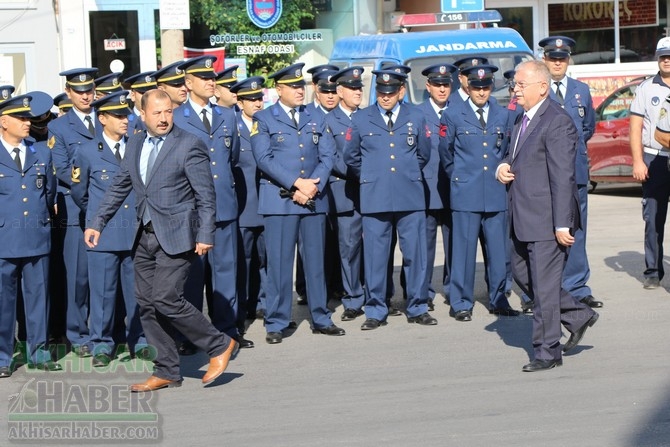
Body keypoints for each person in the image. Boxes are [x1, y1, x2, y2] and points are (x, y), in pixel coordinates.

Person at [83, 89, 238, 391]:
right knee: (147, 304)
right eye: (157, 113)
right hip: (144, 234)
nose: (164, 118)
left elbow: (206, 196)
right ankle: (166, 369)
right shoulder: (136, 142)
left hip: (179, 236)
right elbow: (120, 185)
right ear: (142, 115)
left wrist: (205, 234)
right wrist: (97, 222)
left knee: (166, 298)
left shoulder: (189, 144)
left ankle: (218, 344)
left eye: (168, 111)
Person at [496, 60, 598, 372]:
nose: (515, 90)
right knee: (525, 276)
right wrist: (502, 165)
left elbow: (563, 177)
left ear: (542, 87)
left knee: (542, 286)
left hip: (546, 219)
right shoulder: (521, 117)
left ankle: (547, 351)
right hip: (521, 216)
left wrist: (562, 223)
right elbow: (512, 155)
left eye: (520, 85)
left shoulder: (557, 121)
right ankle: (578, 314)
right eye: (515, 84)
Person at [250, 62, 345, 344]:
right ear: (279, 89)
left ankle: (320, 316)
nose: (299, 90)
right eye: (293, 86)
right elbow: (264, 159)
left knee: (316, 262)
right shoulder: (264, 118)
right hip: (280, 201)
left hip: (312, 199)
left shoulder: (317, 117)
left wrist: (312, 185)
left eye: (301, 85)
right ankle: (277, 321)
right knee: (279, 264)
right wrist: (296, 183)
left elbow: (328, 156)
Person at [343, 69, 435, 330]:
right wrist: (373, 176)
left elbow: (423, 154)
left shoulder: (416, 116)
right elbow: (351, 157)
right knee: (375, 257)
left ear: (401, 92)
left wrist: (404, 175)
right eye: (381, 92)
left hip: (410, 195)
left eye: (390, 92)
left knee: (415, 254)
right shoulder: (361, 119)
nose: (385, 97)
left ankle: (417, 306)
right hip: (375, 197)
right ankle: (376, 308)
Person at [173, 56, 247, 348]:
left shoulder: (227, 115)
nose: (210, 82)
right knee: (193, 274)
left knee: (226, 271)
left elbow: (233, 157)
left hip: (224, 205)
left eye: (212, 77)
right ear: (189, 84)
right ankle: (192, 334)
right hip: (191, 209)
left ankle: (227, 330)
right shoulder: (178, 117)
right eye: (203, 78)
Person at [70, 91, 147, 367]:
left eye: (126, 114)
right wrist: (97, 218)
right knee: (102, 292)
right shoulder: (87, 151)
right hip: (103, 233)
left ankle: (139, 340)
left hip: (135, 232)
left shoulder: (138, 145)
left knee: (137, 292)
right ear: (102, 118)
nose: (125, 119)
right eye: (117, 115)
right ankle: (101, 343)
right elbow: (80, 193)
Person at [440, 64, 518, 321]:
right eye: (476, 87)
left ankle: (499, 298)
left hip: (495, 192)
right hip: (466, 193)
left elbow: (507, 150)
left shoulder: (503, 114)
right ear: (468, 86)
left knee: (498, 252)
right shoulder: (452, 114)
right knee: (463, 252)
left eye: (486, 87)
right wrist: (461, 179)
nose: (481, 92)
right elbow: (446, 153)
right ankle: (461, 302)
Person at [0, 93, 61, 378]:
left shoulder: (40, 151)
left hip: (36, 237)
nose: (28, 123)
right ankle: (2, 356)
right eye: (21, 118)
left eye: (28, 118)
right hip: (4, 240)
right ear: (3, 122)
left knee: (39, 299)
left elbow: (47, 192)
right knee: (3, 303)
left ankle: (39, 351)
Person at [539, 35, 602, 309]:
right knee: (547, 233)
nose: (557, 63)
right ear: (544, 60)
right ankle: (547, 289)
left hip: (576, 171)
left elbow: (588, 127)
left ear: (568, 60)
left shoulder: (581, 90)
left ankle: (577, 286)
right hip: (545, 175)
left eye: (562, 59)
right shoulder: (539, 89)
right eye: (552, 58)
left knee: (577, 230)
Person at [48, 67, 100, 358]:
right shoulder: (60, 127)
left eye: (89, 90)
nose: (85, 96)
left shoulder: (105, 117)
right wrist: (95, 185)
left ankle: (106, 330)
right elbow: (63, 168)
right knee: (78, 276)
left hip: (108, 204)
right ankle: (78, 334)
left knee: (106, 274)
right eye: (79, 92)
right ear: (69, 93)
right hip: (76, 205)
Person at [325, 66, 366, 321]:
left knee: (375, 248)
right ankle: (352, 299)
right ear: (339, 91)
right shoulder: (329, 121)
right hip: (345, 193)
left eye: (359, 87)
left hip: (371, 193)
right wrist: (363, 173)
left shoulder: (368, 117)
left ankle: (378, 294)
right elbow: (331, 157)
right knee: (349, 249)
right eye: (352, 88)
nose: (357, 92)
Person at [631, 37, 670, 290]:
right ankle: (653, 271)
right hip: (654, 158)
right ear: (657, 58)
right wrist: (637, 161)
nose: (667, 60)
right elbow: (635, 128)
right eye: (663, 56)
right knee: (653, 218)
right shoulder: (646, 88)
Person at [417, 63, 456, 311]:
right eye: (437, 85)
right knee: (424, 245)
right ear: (428, 86)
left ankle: (454, 289)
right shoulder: (417, 113)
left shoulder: (461, 111)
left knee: (455, 244)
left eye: (446, 84)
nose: (442, 89)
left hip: (454, 188)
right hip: (427, 189)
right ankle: (424, 292)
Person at [230, 76, 268, 322]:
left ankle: (266, 303)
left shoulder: (268, 124)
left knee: (267, 259)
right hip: (244, 207)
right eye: (251, 99)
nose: (257, 103)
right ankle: (243, 306)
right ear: (239, 102)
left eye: (259, 98)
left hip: (268, 205)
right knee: (243, 261)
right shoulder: (231, 127)